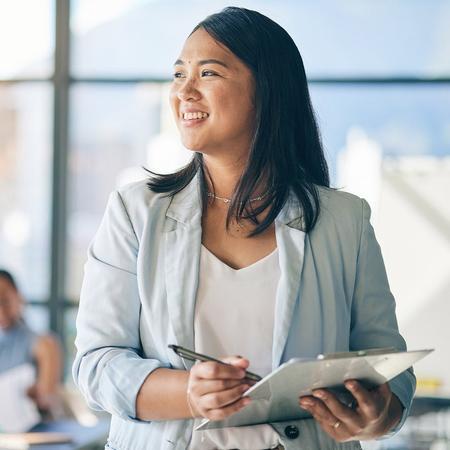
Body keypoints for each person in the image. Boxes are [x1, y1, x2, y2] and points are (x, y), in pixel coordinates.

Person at [72, 6, 415, 450]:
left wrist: (376, 416)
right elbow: (95, 365)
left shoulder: (345, 221)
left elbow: (389, 368)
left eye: (208, 73)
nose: (184, 91)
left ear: (268, 90)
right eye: (179, 75)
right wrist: (188, 393)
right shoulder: (135, 211)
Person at [0, 269, 63, 418]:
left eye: (5, 301)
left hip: (34, 430)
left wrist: (37, 396)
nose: (1, 311)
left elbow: (49, 400)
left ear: (19, 297)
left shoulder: (45, 344)